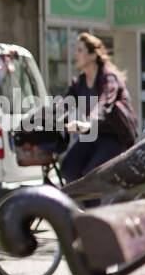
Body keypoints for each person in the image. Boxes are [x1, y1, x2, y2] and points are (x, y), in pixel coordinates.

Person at [58, 32, 138, 183]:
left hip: (114, 137)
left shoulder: (109, 79)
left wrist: (88, 122)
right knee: (69, 169)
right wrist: (41, 120)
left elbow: (105, 103)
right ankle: (84, 205)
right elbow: (63, 104)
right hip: (93, 134)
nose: (75, 54)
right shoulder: (79, 83)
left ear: (93, 55)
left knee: (91, 174)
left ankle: (96, 207)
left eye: (80, 50)